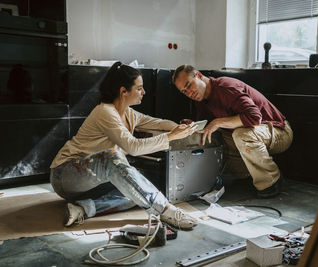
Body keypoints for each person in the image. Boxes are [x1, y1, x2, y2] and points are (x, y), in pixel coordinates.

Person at [50, 62, 198, 229]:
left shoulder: (128, 113)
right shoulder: (105, 111)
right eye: (139, 88)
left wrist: (184, 128)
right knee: (113, 157)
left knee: (137, 190)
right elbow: (132, 147)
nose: (144, 92)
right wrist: (172, 136)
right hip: (66, 175)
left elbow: (157, 123)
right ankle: (166, 211)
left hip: (91, 183)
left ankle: (82, 209)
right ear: (123, 91)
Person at [172, 65, 293, 198]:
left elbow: (254, 117)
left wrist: (218, 122)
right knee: (213, 135)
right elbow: (208, 126)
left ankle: (272, 181)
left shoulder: (226, 87)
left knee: (241, 134)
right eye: (184, 91)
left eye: (189, 85)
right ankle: (247, 175)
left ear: (199, 76)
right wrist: (194, 125)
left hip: (279, 132)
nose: (189, 93)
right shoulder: (202, 100)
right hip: (256, 134)